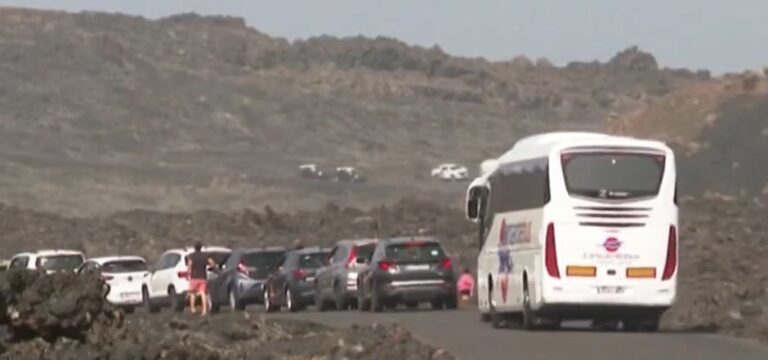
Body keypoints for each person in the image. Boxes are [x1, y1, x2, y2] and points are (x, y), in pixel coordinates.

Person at [186, 241, 215, 315]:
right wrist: (210, 267)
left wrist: (188, 274)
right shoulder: (205, 255)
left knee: (192, 293)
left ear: (194, 247)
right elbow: (212, 263)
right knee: (203, 293)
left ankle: (193, 308)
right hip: (202, 277)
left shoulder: (191, 255)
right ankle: (204, 310)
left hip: (194, 277)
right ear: (201, 247)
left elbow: (190, 265)